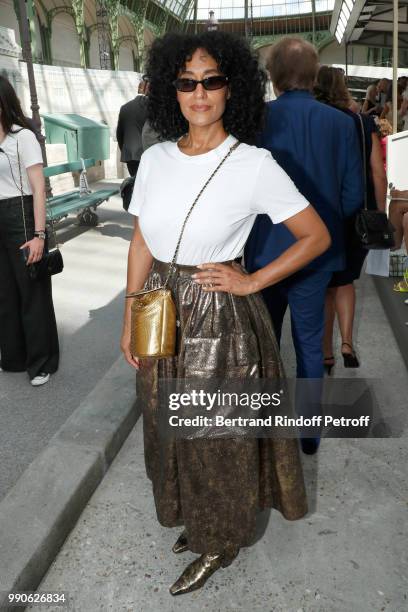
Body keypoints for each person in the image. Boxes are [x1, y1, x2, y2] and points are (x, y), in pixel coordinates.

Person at [121, 31, 330, 595]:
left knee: (217, 437)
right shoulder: (158, 157)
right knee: (168, 427)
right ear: (172, 89)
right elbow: (142, 239)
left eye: (211, 80)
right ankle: (196, 516)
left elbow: (315, 236)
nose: (199, 93)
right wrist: (129, 313)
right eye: (187, 82)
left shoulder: (254, 164)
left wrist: (253, 279)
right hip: (160, 305)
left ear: (231, 88)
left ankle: (222, 538)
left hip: (219, 315)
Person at [244, 37, 363, 455]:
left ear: (273, 77)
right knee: (311, 344)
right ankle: (309, 434)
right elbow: (352, 198)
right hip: (318, 255)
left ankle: (262, 429)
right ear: (314, 76)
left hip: (265, 254)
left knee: (265, 342)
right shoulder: (343, 122)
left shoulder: (255, 119)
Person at [314, 66, 387, 370]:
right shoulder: (361, 122)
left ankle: (326, 353)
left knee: (325, 285)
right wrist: (381, 212)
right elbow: (377, 171)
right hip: (356, 212)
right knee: (345, 282)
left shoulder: (315, 122)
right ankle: (346, 342)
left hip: (320, 214)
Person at [0, 76, 59, 386]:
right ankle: (12, 357)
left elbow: (38, 189)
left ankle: (41, 362)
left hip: (21, 215)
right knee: (5, 293)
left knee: (31, 291)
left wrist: (39, 235)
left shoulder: (22, 137)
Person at [116, 79, 148, 176]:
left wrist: (125, 150)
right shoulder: (150, 106)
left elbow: (119, 133)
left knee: (134, 183)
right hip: (146, 153)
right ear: (147, 89)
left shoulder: (124, 107)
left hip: (129, 154)